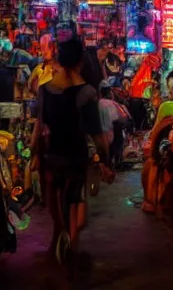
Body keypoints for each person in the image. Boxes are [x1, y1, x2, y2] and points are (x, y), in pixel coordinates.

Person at [31, 37, 113, 265]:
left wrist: (36, 155)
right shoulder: (86, 92)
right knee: (79, 205)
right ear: (81, 61)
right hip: (76, 158)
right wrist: (105, 160)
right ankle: (72, 244)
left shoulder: (45, 89)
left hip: (51, 156)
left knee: (51, 194)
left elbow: (39, 127)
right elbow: (97, 135)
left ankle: (58, 233)